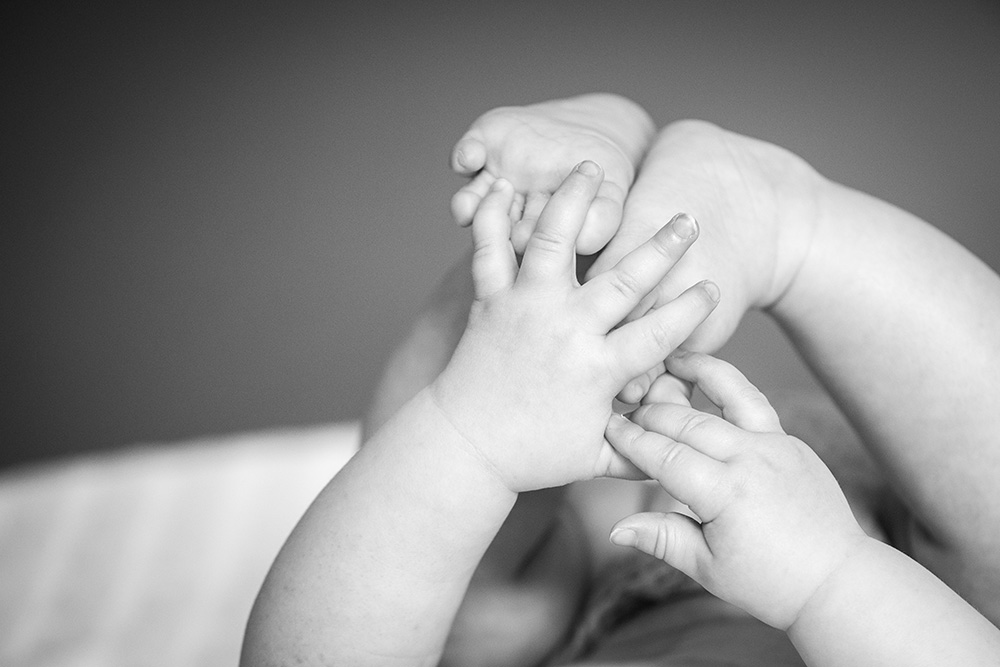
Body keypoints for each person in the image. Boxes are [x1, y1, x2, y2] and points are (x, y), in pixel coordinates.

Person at [350, 94, 1000, 665]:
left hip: (613, 587)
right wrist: (827, 579)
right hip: (892, 583)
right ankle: (784, 221)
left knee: (475, 615)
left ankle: (551, 258)